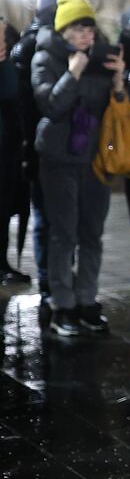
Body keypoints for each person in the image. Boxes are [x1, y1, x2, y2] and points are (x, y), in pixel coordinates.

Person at [29, 0, 126, 337]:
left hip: (95, 158)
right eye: (79, 28)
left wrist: (118, 83)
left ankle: (87, 300)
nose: (87, 34)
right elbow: (51, 107)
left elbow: (115, 111)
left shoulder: (101, 59)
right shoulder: (45, 58)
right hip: (58, 158)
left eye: (90, 27)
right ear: (64, 31)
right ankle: (63, 305)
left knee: (92, 234)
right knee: (63, 233)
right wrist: (72, 74)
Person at [11, 0, 70, 315]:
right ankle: (51, 283)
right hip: (42, 144)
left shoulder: (38, 41)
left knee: (55, 218)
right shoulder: (35, 44)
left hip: (45, 143)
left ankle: (55, 281)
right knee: (49, 217)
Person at [0, 20, 30, 284]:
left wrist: (2, 60)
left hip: (6, 145)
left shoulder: (6, 60)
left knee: (4, 207)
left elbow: (10, 90)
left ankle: (2, 262)